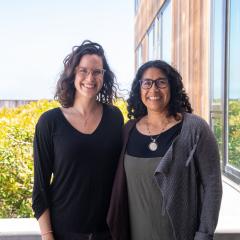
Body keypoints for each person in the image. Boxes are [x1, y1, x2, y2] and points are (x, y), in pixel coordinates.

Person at [107, 60, 222, 240]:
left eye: (161, 82)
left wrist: (204, 234)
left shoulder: (195, 129)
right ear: (139, 89)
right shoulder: (127, 130)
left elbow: (212, 185)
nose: (153, 89)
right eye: (147, 83)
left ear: (172, 87)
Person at [32, 40, 124, 240]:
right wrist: (48, 236)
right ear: (72, 73)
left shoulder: (115, 118)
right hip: (64, 232)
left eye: (97, 72)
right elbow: (40, 190)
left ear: (104, 76)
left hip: (107, 233)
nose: (90, 78)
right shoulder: (50, 122)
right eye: (83, 70)